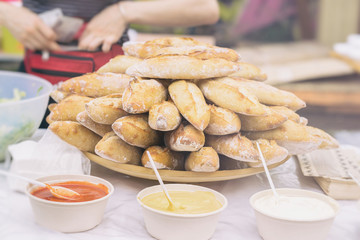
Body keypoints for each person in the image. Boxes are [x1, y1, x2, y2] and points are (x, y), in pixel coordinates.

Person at [0, 0, 220, 53]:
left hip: (108, 87)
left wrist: (122, 12)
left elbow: (206, 7)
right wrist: (6, 11)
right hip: (36, 84)